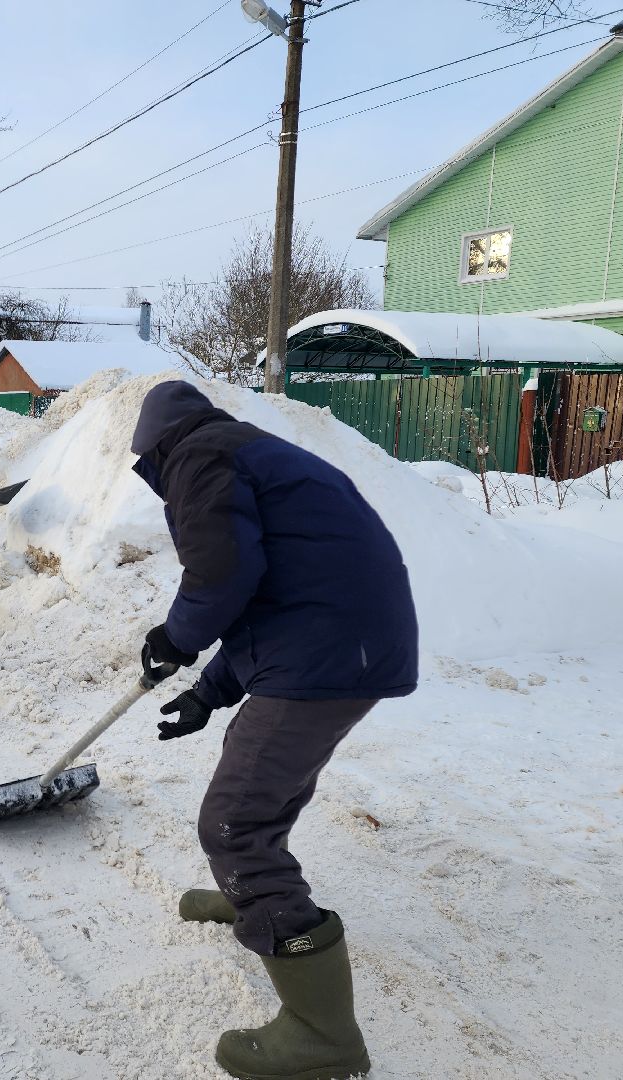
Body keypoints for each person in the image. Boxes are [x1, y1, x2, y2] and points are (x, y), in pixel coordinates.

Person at [131, 381, 418, 1080]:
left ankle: (323, 1036)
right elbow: (274, 597)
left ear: (156, 448)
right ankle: (246, 892)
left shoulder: (199, 458)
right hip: (340, 641)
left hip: (330, 652)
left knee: (235, 819)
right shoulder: (246, 452)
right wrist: (206, 692)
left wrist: (176, 637)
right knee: (256, 779)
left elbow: (222, 574)